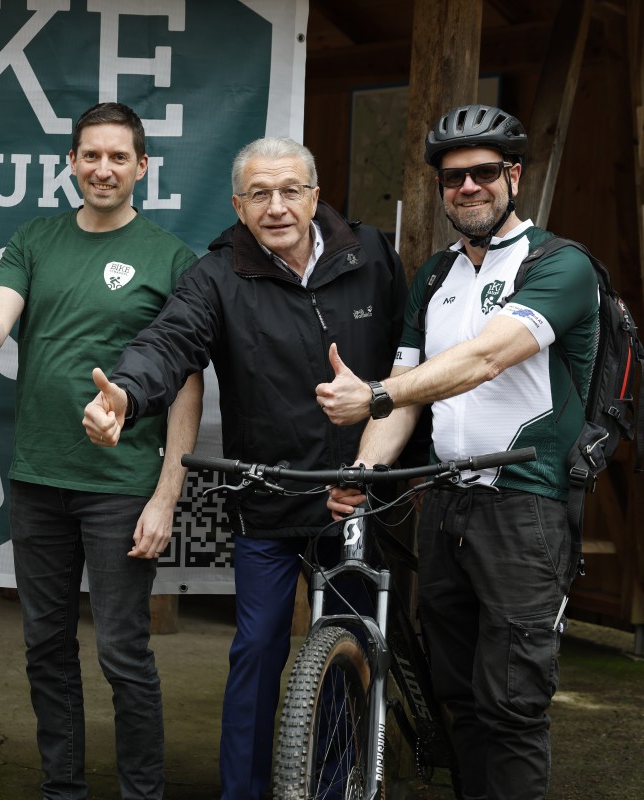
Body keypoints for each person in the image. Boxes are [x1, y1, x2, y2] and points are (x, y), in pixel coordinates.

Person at [82, 136, 407, 800]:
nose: (276, 206)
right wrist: (127, 394)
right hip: (269, 494)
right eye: (259, 194)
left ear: (315, 196)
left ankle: (334, 786)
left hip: (359, 491)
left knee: (351, 644)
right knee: (257, 649)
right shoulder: (216, 275)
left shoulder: (372, 255)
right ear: (238, 205)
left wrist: (387, 467)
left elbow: (413, 363)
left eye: (290, 191)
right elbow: (169, 342)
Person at [316, 104, 598, 800]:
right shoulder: (435, 277)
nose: (468, 187)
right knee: (457, 695)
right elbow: (411, 396)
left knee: (513, 703)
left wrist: (374, 395)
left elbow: (485, 359)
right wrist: (363, 472)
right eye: (452, 178)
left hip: (526, 509)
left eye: (483, 173)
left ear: (514, 177)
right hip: (444, 507)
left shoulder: (560, 264)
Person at [0, 102, 200, 800]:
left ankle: (141, 793)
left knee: (122, 652)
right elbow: (3, 308)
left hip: (123, 486)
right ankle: (61, 789)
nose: (103, 169)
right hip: (39, 479)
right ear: (71, 162)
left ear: (142, 167)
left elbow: (188, 388)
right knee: (46, 648)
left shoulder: (172, 259)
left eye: (118, 157)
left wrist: (166, 496)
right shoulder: (35, 238)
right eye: (91, 155)